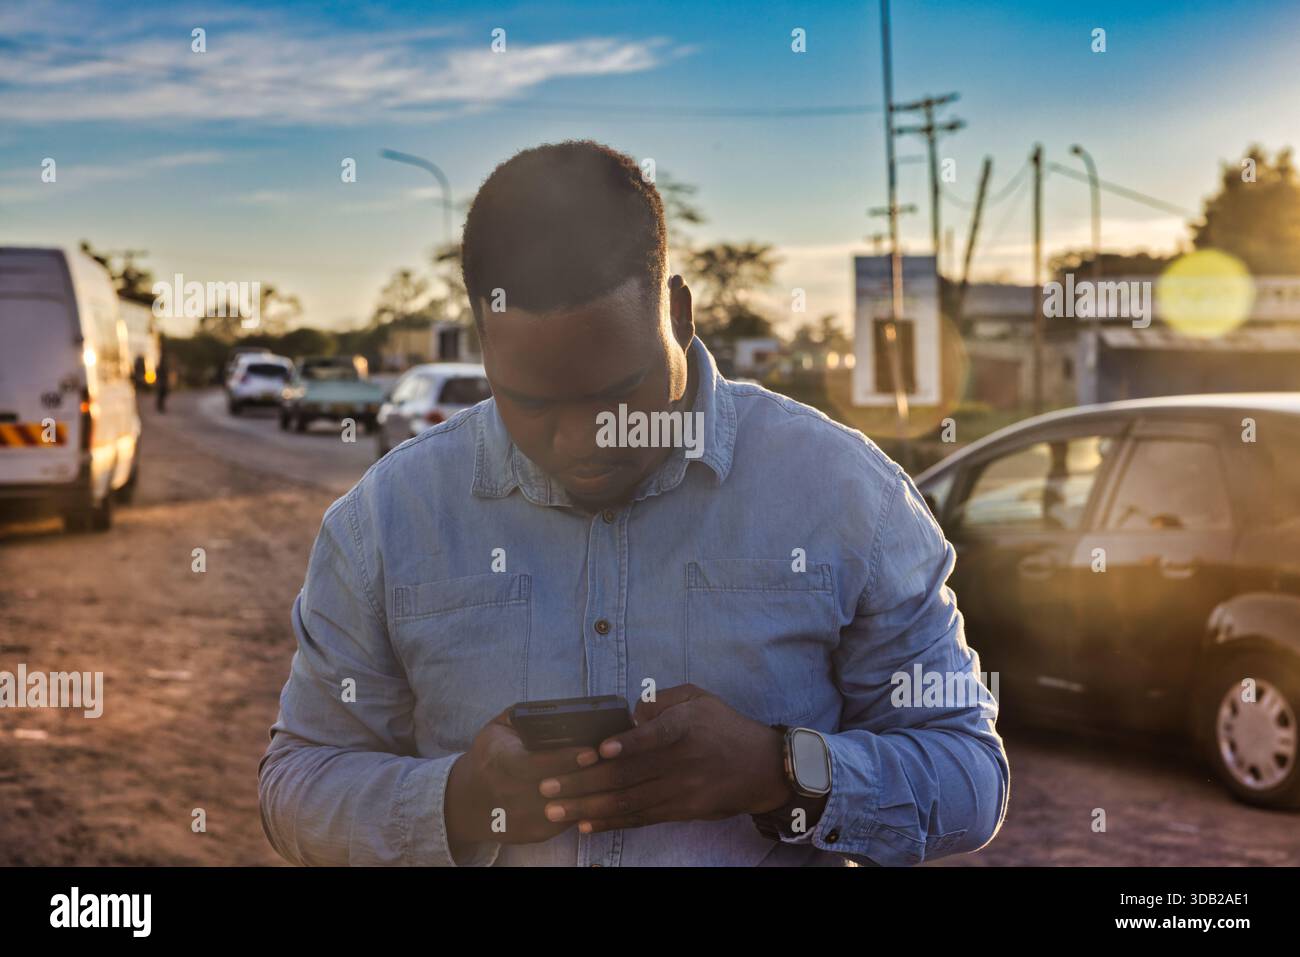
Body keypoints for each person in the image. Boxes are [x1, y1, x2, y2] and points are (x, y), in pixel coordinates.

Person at [258, 140, 1009, 866]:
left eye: (617, 393)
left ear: (678, 313)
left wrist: (778, 771)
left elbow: (970, 776)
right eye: (532, 403)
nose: (583, 441)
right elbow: (297, 781)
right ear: (482, 344)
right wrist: (461, 800)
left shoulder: (846, 494)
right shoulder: (385, 521)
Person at [154, 338, 169, 414]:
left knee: (162, 393)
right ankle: (160, 406)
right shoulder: (161, 360)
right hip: (162, 380)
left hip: (162, 380)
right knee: (161, 393)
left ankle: (160, 406)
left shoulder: (163, 360)